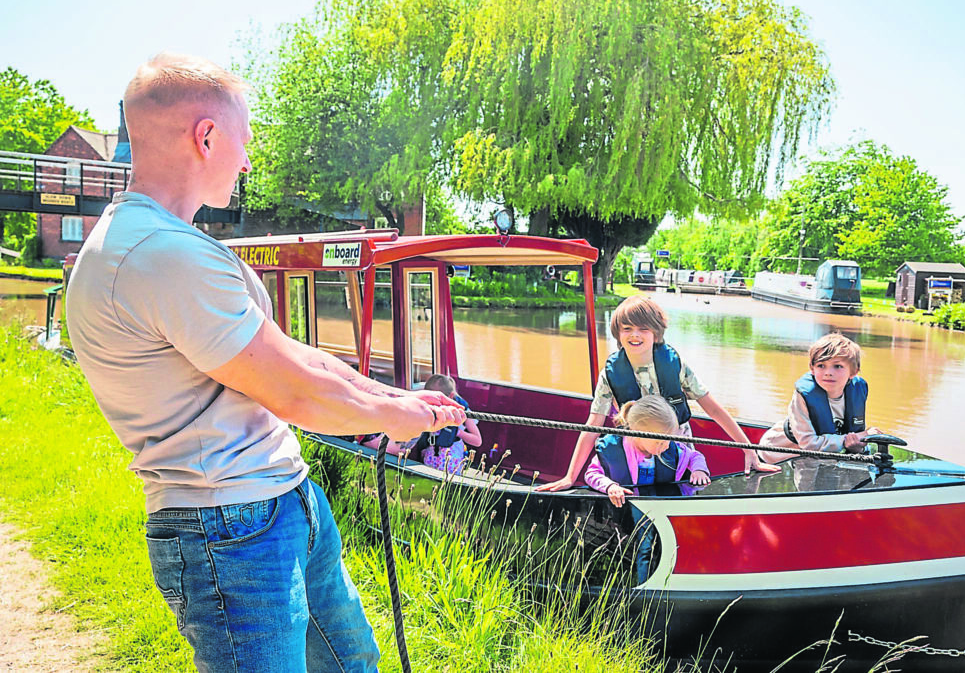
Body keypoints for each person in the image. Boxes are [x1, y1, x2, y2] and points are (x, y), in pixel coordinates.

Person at [64, 53, 464, 673]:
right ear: (206, 136)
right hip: (230, 526)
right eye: (244, 141)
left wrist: (398, 401)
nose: (248, 161)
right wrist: (393, 416)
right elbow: (292, 392)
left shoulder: (162, 244)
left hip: (275, 502)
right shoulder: (158, 254)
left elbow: (289, 355)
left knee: (353, 663)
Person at [536, 295, 777, 491]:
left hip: (675, 445)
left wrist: (749, 450)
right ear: (618, 333)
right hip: (635, 448)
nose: (635, 335)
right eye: (627, 329)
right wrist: (570, 477)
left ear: (656, 332)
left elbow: (713, 408)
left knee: (681, 488)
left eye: (643, 329)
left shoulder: (674, 364)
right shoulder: (610, 374)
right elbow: (593, 425)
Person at [584, 395, 710, 582]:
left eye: (668, 440)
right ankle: (644, 587)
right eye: (660, 441)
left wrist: (699, 470)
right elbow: (591, 474)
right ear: (637, 432)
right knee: (643, 549)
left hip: (664, 512)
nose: (666, 446)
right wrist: (609, 486)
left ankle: (672, 579)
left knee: (667, 547)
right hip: (631, 517)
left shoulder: (670, 448)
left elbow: (694, 456)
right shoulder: (613, 448)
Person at [758, 332, 880, 464]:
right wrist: (855, 438)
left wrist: (857, 443)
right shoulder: (804, 395)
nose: (828, 372)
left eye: (837, 366)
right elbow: (809, 445)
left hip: (815, 458)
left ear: (854, 371)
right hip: (776, 456)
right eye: (821, 365)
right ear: (812, 368)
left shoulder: (856, 391)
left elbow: (853, 438)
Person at [367, 374, 482, 475]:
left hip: (452, 462)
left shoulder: (462, 412)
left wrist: (457, 432)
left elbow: (477, 441)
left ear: (450, 397)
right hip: (430, 459)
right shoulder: (425, 410)